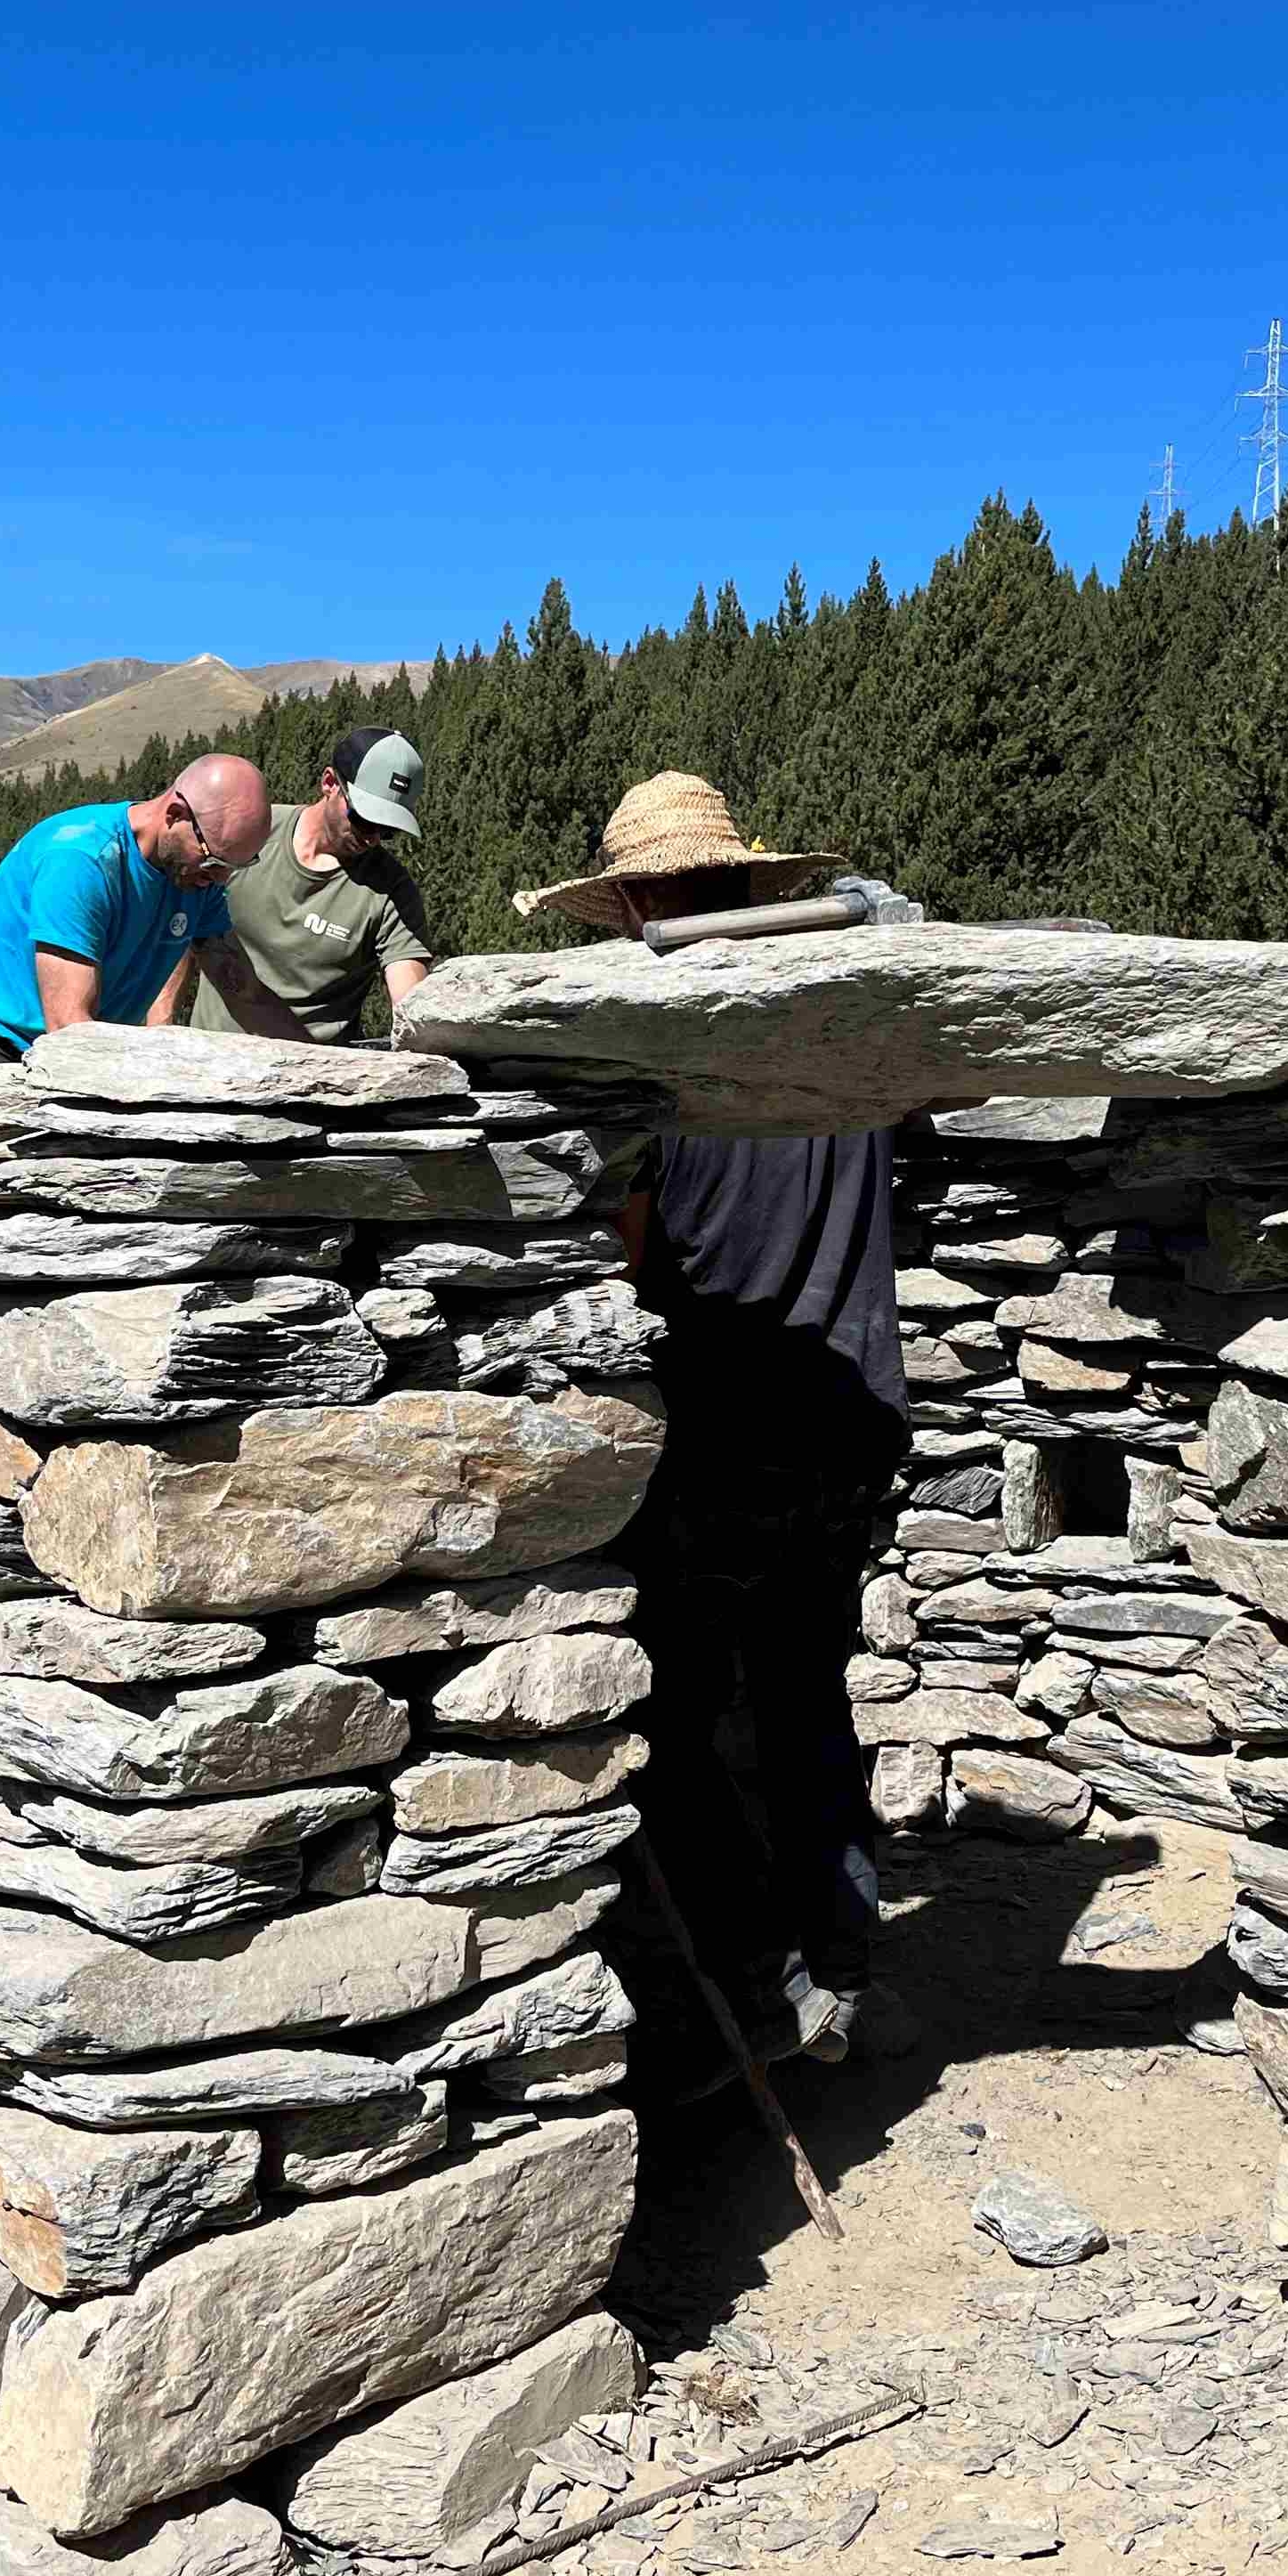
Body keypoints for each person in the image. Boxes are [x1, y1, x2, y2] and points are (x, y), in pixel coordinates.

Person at [520, 774, 904, 2080]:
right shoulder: (844, 1040)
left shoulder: (655, 1063)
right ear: (751, 885)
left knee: (672, 1724)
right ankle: (844, 1953)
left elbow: (625, 1270)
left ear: (632, 901)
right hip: (853, 1414)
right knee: (807, 1692)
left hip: (726, 1432)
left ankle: (765, 1982)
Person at [0, 752, 302, 1075]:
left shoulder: (196, 877)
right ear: (174, 814)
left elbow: (243, 990)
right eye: (214, 861)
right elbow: (68, 1027)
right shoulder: (82, 861)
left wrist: (322, 1065)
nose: (219, 879)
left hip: (90, 1048)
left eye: (236, 866)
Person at [185, 725, 440, 1044]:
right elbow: (180, 921)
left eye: (388, 830)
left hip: (314, 1078)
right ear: (330, 783)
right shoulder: (251, 836)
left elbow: (410, 1006)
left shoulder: (392, 891)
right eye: (364, 819)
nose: (373, 838)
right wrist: (161, 1029)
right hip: (211, 1057)